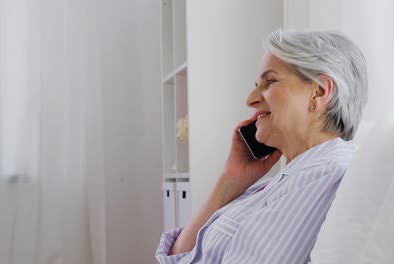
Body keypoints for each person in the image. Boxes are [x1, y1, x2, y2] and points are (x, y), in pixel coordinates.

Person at [156, 29, 368, 264]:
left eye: (270, 82)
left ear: (318, 92)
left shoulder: (322, 175)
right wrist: (229, 181)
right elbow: (177, 256)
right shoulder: (283, 180)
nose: (250, 100)